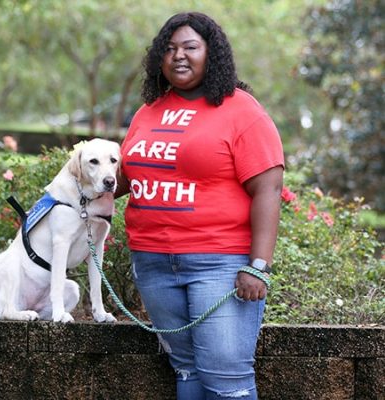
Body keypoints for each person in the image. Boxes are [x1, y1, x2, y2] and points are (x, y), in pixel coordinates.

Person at [115, 11, 284, 400]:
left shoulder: (241, 110)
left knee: (227, 380)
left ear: (212, 53)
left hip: (219, 264)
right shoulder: (148, 111)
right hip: (153, 262)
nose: (179, 56)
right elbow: (128, 176)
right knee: (187, 371)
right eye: (169, 48)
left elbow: (268, 189)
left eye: (191, 47)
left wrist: (258, 266)